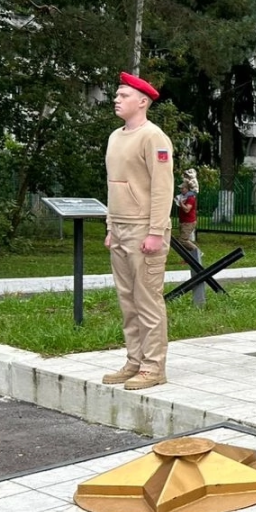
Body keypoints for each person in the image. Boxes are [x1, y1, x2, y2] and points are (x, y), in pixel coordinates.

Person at [100, 72, 174, 391]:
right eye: (116, 95)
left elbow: (162, 187)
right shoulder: (115, 137)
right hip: (120, 228)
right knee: (127, 300)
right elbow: (112, 185)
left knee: (147, 300)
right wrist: (110, 227)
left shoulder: (153, 137)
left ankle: (154, 366)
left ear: (142, 102)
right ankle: (134, 359)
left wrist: (155, 231)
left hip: (145, 229)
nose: (116, 99)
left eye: (123, 95)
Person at [174, 169, 199, 252]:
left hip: (189, 222)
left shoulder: (190, 198)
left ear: (187, 189)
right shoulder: (184, 197)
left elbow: (187, 210)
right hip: (183, 221)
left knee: (183, 240)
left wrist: (181, 203)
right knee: (182, 241)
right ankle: (189, 257)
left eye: (182, 188)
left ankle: (197, 252)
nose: (181, 190)